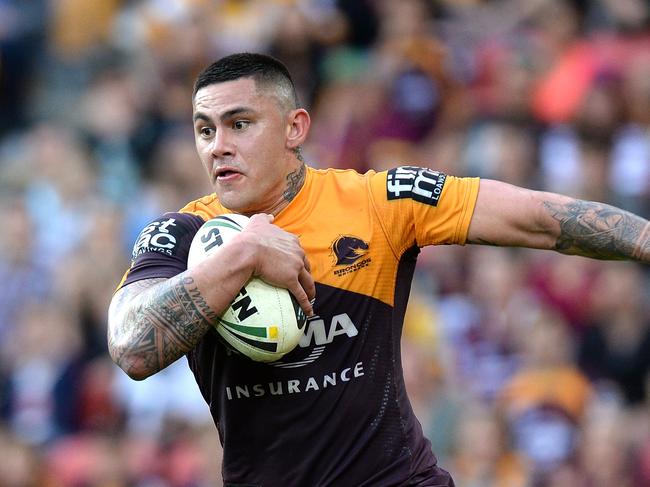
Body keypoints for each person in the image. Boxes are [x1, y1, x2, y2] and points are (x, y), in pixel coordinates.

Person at [108, 52, 649, 487]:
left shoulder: (376, 200)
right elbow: (132, 347)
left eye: (239, 124)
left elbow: (539, 220)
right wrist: (244, 252)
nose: (219, 147)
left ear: (296, 127)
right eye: (205, 131)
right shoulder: (181, 236)